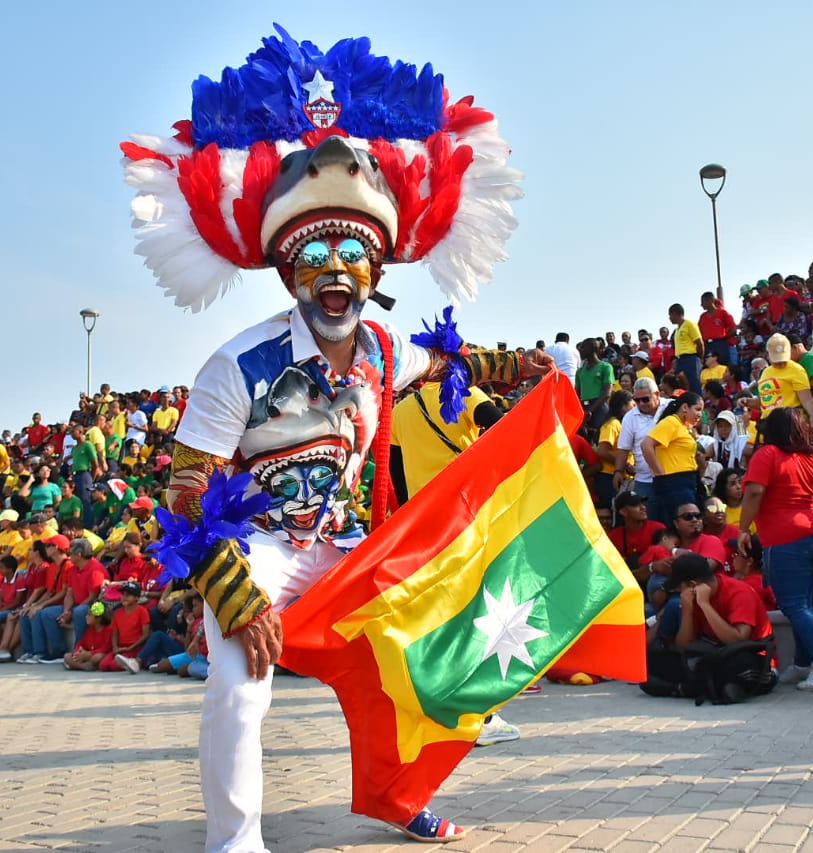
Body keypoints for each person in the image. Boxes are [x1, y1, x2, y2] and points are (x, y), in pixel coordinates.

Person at [121, 30, 553, 847]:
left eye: (354, 254)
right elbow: (184, 496)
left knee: (425, 653)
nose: (336, 269)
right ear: (288, 274)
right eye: (315, 253)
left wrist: (516, 366)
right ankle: (233, 840)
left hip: (348, 543)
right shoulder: (234, 366)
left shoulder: (386, 351)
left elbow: (443, 361)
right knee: (238, 680)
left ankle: (402, 793)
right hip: (258, 546)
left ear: (377, 272)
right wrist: (235, 593)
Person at [739, 407, 813, 691]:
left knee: (794, 605)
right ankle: (802, 663)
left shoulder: (768, 454)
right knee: (803, 603)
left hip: (787, 536)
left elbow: (754, 491)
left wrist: (743, 528)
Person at [641, 393, 704, 526]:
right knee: (682, 526)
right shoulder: (671, 422)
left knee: (689, 527)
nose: (700, 414)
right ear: (685, 407)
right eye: (698, 409)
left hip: (687, 482)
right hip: (675, 483)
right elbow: (646, 445)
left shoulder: (684, 427)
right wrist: (659, 473)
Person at [756, 334, 813, 426]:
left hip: (790, 421)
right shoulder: (766, 372)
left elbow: (806, 399)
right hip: (768, 422)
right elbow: (766, 400)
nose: (780, 362)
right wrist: (747, 402)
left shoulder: (796, 369)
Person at [669, 302, 704, 394]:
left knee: (694, 384)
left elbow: (699, 343)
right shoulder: (677, 330)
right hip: (680, 360)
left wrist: (699, 359)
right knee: (682, 386)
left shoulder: (689, 324)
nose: (670, 318)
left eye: (670, 315)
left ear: (676, 313)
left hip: (691, 358)